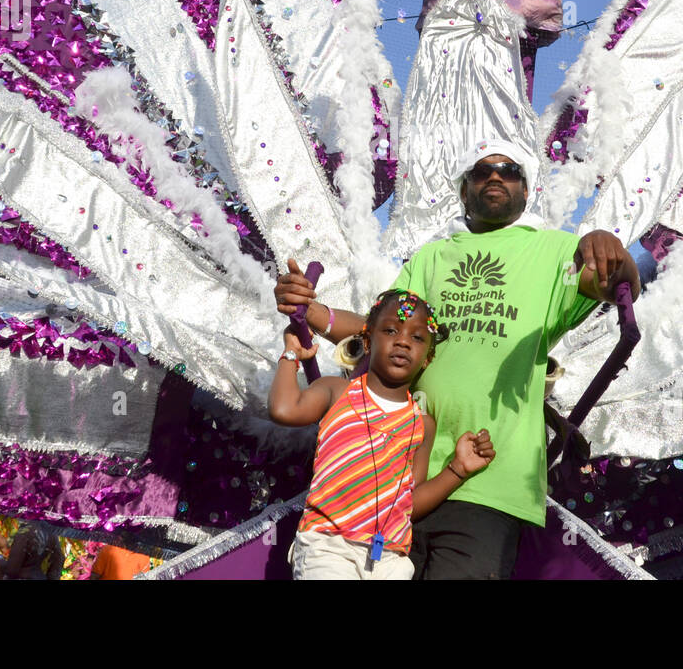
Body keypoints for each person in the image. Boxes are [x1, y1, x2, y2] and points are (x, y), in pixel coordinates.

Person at [274, 138, 640, 579]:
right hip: (398, 481)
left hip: (487, 479)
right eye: (480, 172)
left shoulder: (557, 251)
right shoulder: (431, 257)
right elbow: (384, 326)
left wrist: (609, 249)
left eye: (508, 170)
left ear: (527, 189)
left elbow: (615, 284)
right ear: (464, 191)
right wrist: (309, 310)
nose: (494, 177)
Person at [269, 290, 495, 580]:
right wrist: (291, 354)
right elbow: (284, 409)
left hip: (389, 559)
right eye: (390, 330)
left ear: (428, 357)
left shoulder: (422, 425)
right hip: (328, 547)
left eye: (417, 338)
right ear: (367, 341)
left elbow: (408, 503)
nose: (402, 341)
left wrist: (458, 469)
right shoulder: (337, 392)